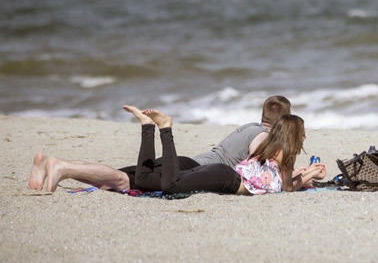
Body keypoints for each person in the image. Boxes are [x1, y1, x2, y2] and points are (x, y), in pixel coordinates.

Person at [28, 105, 326, 194]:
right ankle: (164, 128)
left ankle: (60, 166)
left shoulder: (265, 144)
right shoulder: (277, 150)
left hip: (211, 168)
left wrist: (302, 174)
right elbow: (285, 186)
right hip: (221, 176)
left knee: (132, 180)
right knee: (168, 185)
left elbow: (278, 178)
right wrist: (305, 175)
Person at [114, 95, 291, 189]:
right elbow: (258, 162)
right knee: (134, 180)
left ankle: (85, 169)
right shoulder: (264, 135)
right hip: (192, 170)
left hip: (188, 163)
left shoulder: (249, 127)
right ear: (285, 119)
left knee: (130, 175)